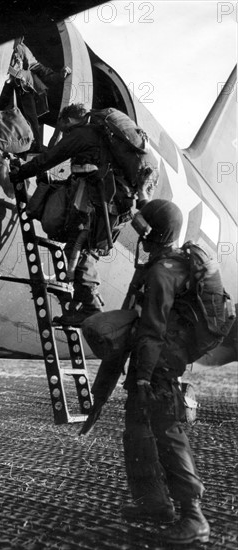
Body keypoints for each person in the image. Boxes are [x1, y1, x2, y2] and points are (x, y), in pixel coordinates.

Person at [120, 199, 210, 545]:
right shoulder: (167, 265)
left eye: (143, 229)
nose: (139, 236)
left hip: (157, 365)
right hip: (152, 360)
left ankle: (193, 516)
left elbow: (154, 329)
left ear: (153, 233)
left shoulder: (161, 272)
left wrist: (143, 376)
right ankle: (153, 502)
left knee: (167, 432)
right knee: (137, 428)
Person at [10, 102, 137, 326]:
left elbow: (50, 158)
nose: (66, 133)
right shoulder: (102, 137)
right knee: (81, 250)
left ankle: (91, 308)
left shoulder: (83, 134)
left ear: (69, 121)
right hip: (113, 204)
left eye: (64, 128)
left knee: (81, 251)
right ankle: (79, 307)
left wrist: (21, 173)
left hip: (98, 205)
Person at [0, 37, 71, 153]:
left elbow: (42, 71)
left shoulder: (23, 49)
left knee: (30, 129)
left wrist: (60, 76)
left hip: (23, 91)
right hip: (0, 90)